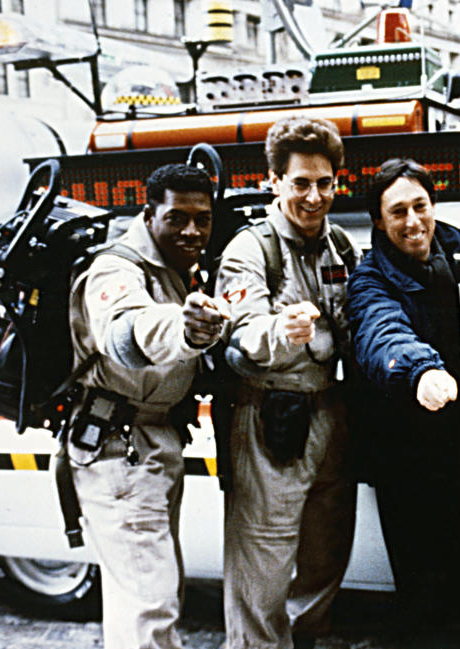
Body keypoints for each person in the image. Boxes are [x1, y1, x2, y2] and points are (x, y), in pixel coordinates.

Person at [68, 163, 228, 649]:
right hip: (119, 450)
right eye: (177, 217)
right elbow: (125, 329)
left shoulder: (173, 266)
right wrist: (184, 328)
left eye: (202, 218)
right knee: (149, 604)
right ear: (148, 215)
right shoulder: (116, 269)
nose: (192, 230)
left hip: (148, 444)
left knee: (142, 595)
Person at [216, 116, 361, 649]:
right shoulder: (250, 250)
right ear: (273, 181)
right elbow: (242, 333)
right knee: (264, 563)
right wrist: (282, 331)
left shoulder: (340, 246)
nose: (314, 196)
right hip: (271, 418)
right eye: (300, 182)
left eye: (325, 183)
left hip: (330, 414)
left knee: (326, 554)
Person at [346, 159, 460, 647]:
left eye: (419, 206)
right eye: (397, 211)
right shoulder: (368, 280)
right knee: (423, 588)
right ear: (379, 222)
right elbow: (381, 333)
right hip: (404, 456)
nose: (412, 222)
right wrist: (420, 370)